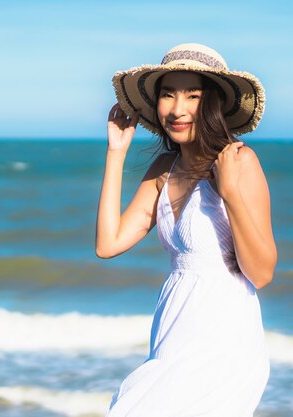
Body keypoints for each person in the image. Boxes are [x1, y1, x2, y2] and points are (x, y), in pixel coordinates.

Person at [95, 43, 277, 416]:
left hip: (224, 341)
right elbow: (108, 244)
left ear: (212, 103)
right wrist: (116, 153)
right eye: (167, 95)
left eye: (192, 95)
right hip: (172, 334)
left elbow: (261, 272)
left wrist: (230, 194)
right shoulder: (164, 169)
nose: (177, 109)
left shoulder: (239, 162)